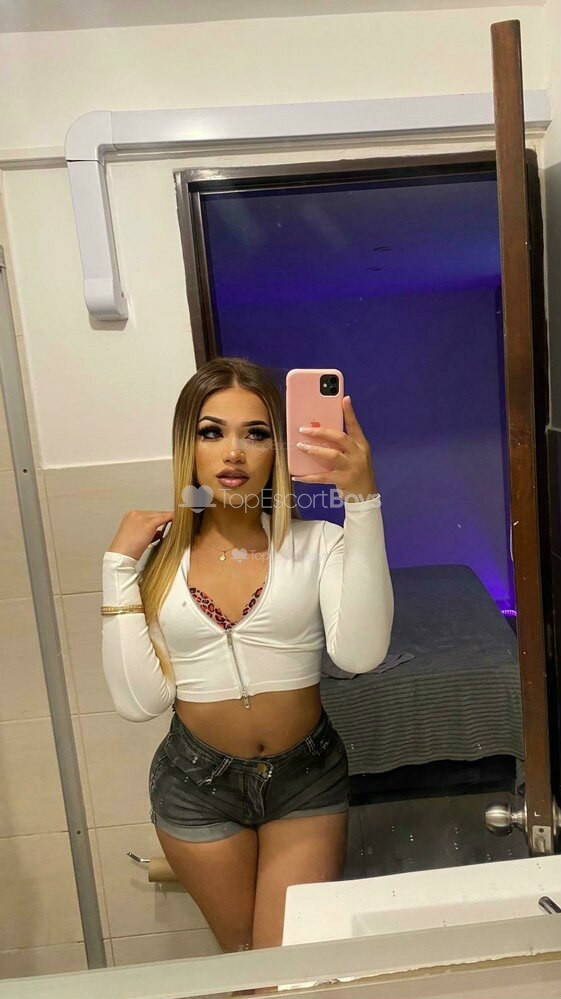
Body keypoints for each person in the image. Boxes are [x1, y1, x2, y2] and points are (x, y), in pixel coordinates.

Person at [101, 356, 393, 960]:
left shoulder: (319, 543)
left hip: (303, 779)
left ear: (276, 451)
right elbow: (139, 703)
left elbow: (360, 654)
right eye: (212, 432)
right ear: (188, 448)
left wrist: (362, 502)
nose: (233, 452)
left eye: (255, 434)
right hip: (196, 785)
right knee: (243, 964)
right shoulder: (156, 562)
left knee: (289, 973)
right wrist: (117, 568)